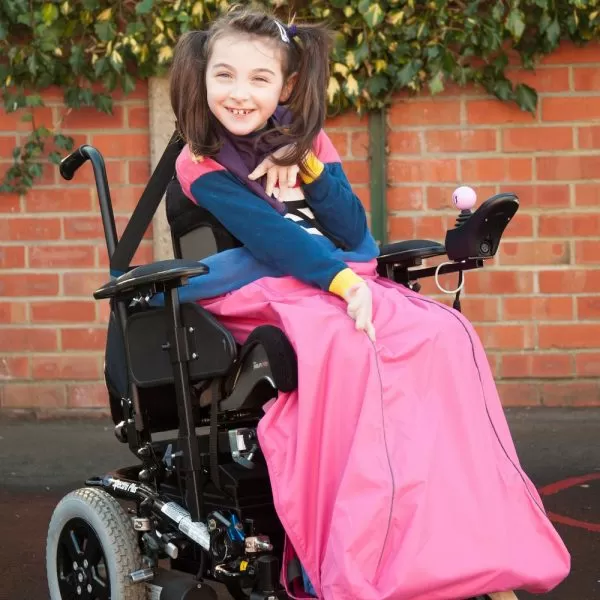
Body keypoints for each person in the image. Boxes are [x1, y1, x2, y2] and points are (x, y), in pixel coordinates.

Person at [169, 6, 570, 600]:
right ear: (202, 78)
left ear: (285, 85)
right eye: (224, 75)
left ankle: (460, 539)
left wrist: (302, 158)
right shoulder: (197, 160)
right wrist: (345, 282)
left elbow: (354, 232)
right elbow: (274, 241)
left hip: (318, 280)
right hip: (251, 291)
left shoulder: (307, 142)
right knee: (350, 347)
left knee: (445, 336)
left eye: (259, 78)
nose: (239, 92)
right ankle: (343, 552)